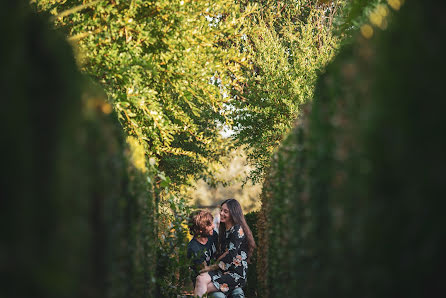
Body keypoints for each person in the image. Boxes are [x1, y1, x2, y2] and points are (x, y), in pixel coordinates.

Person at [194, 199, 255, 297]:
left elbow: (230, 255)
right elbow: (222, 254)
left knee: (205, 287)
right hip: (223, 271)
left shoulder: (237, 230)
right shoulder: (224, 231)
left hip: (235, 275)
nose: (221, 213)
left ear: (233, 214)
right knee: (200, 279)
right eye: (221, 210)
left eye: (225, 211)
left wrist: (210, 268)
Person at [187, 210, 245, 298]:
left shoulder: (213, 235)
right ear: (200, 230)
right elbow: (204, 271)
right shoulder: (193, 248)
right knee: (218, 296)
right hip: (207, 281)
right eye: (209, 225)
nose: (213, 226)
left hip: (220, 274)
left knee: (238, 292)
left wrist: (224, 268)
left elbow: (223, 253)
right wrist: (222, 264)